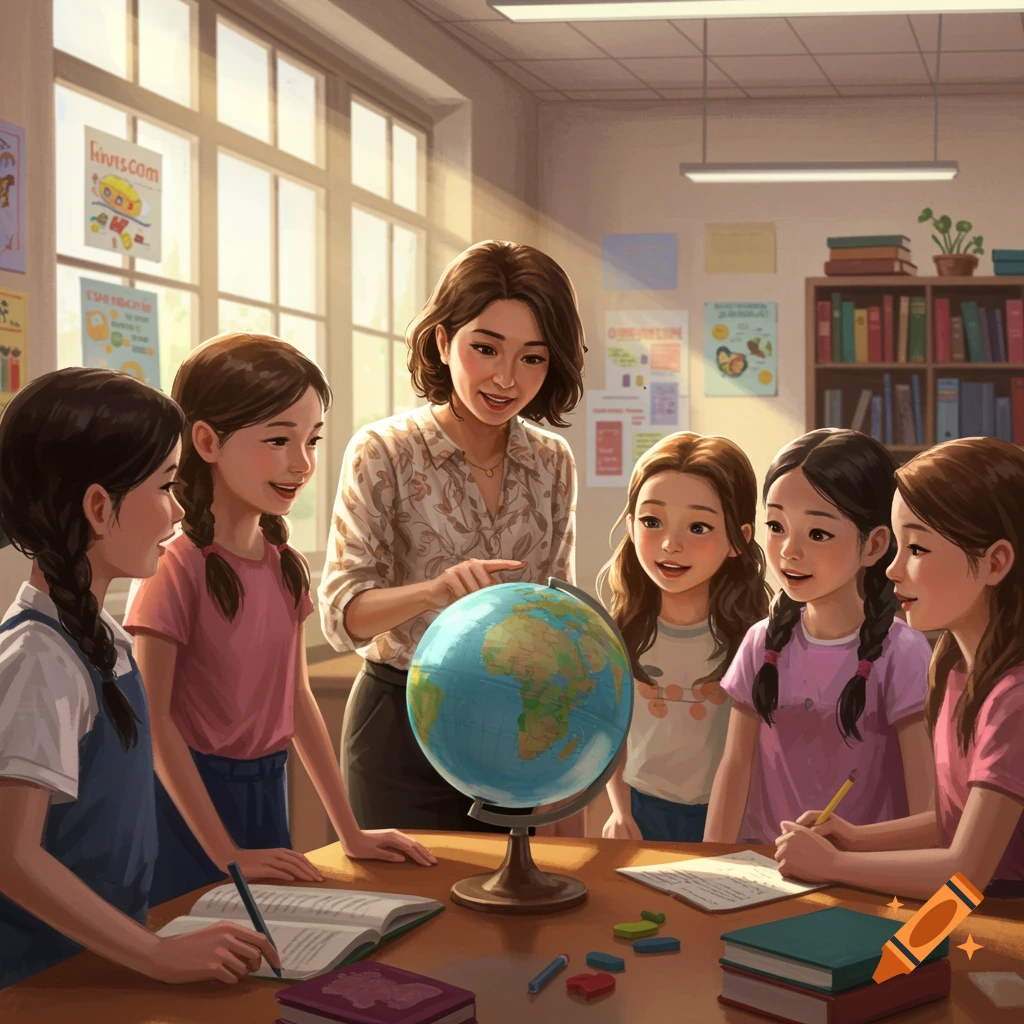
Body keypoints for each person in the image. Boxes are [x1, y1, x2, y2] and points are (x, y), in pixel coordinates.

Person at [125, 333, 434, 908]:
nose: (302, 464)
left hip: (268, 791)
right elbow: (155, 722)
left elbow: (296, 701)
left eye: (311, 441)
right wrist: (223, 852)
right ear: (207, 441)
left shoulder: (285, 566)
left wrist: (350, 832)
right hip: (188, 800)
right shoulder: (175, 566)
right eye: (277, 440)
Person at [0, 367, 280, 987]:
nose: (180, 510)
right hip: (39, 984)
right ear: (100, 507)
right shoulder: (37, 662)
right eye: (166, 487)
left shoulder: (105, 640)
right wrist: (155, 955)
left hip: (104, 962)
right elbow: (10, 858)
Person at [319, 240, 587, 833]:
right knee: (414, 914)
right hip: (402, 726)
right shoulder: (383, 451)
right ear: (444, 341)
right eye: (485, 348)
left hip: (517, 726)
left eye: (533, 359)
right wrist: (431, 593)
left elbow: (555, 600)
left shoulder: (553, 461)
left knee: (513, 918)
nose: (506, 378)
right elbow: (342, 618)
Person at [776, 438, 1024, 900]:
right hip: (960, 907)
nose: (892, 571)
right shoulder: (954, 670)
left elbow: (966, 868)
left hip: (1001, 918)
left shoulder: (1014, 698)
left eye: (918, 549)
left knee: (872, 964)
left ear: (995, 562)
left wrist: (836, 864)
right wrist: (853, 837)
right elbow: (960, 823)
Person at [704, 429, 935, 844]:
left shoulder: (903, 653)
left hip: (864, 876)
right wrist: (708, 868)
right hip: (764, 869)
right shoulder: (761, 642)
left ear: (875, 544)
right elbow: (735, 767)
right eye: (776, 525)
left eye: (818, 534)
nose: (789, 550)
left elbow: (926, 809)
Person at [598, 433, 771, 843]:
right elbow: (611, 734)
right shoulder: (616, 633)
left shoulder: (759, 639)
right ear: (629, 525)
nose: (671, 545)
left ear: (739, 538)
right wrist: (621, 812)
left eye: (698, 527)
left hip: (733, 817)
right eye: (651, 522)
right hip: (643, 812)